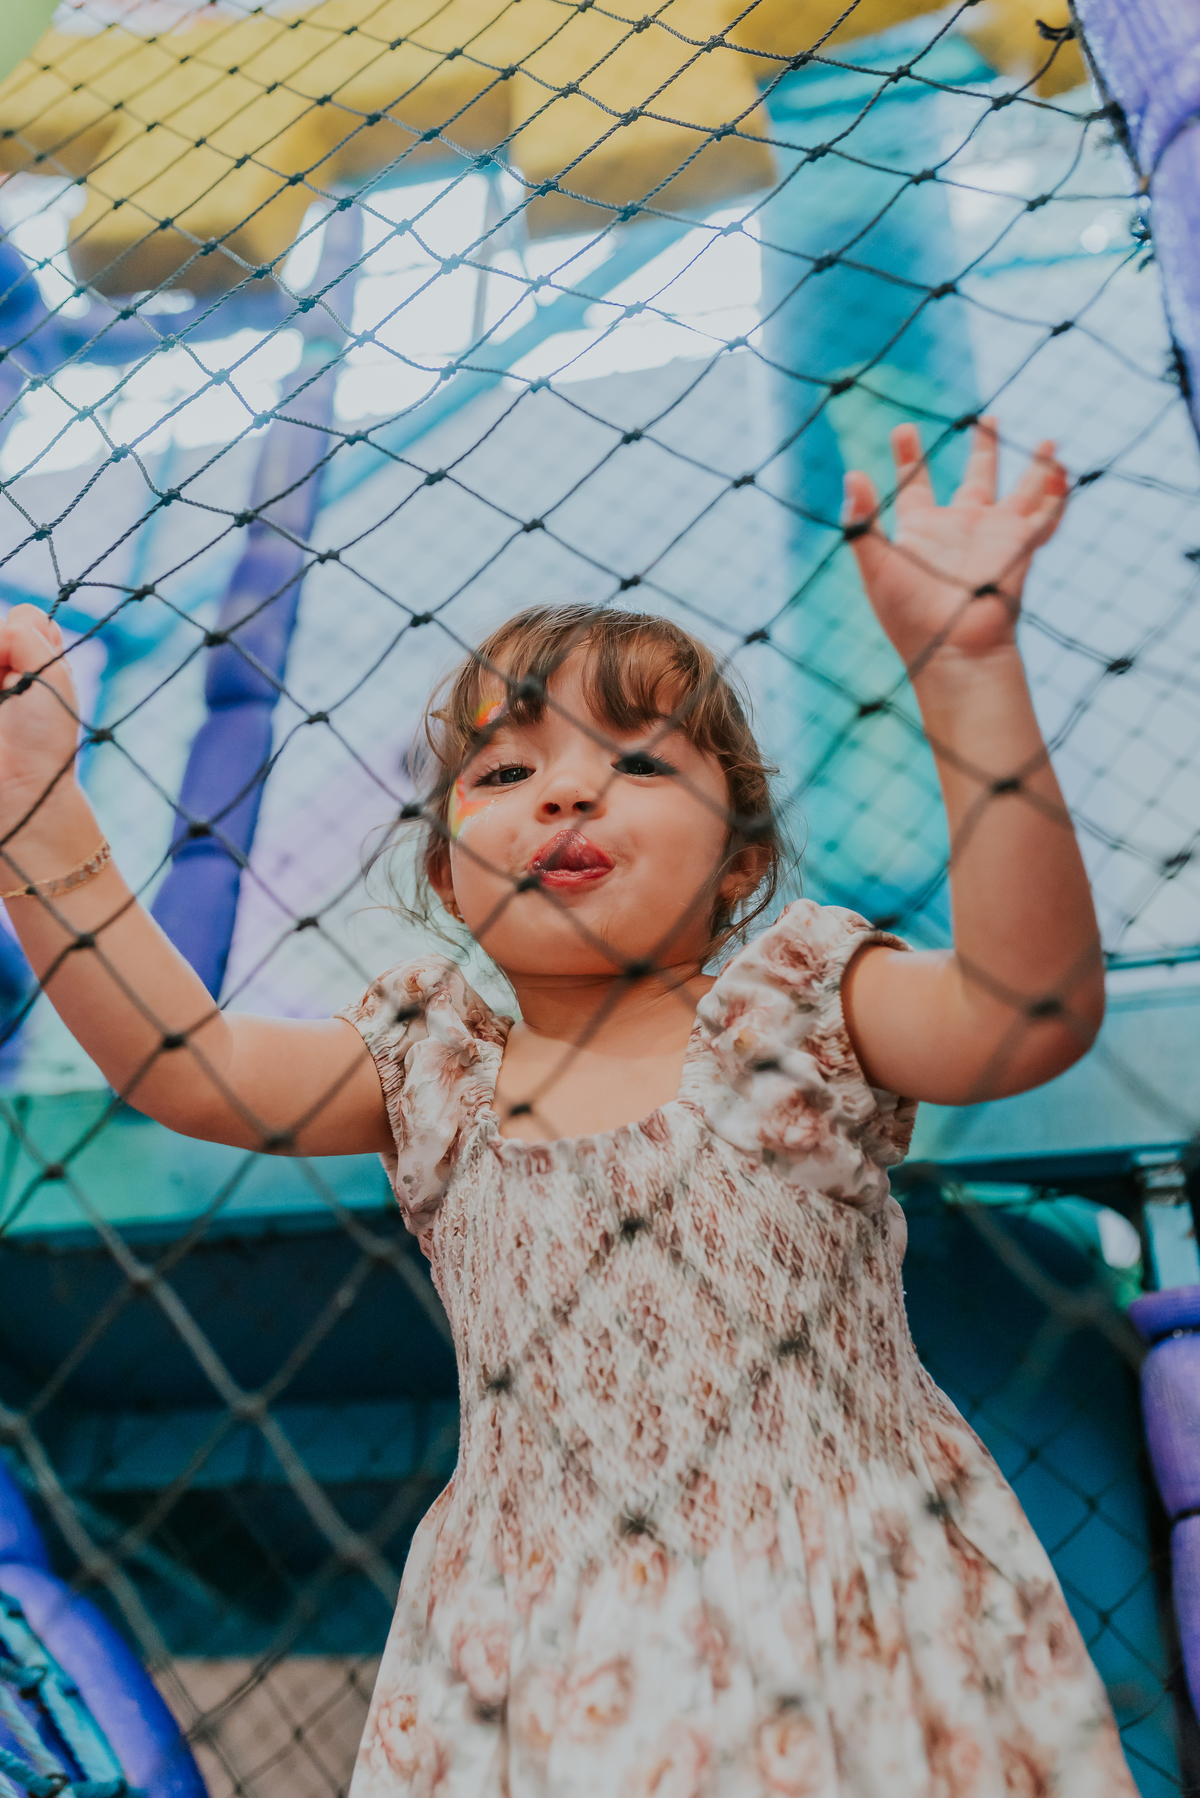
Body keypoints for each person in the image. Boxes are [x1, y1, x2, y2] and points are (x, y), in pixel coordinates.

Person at [0, 419, 1134, 1796]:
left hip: (845, 1610)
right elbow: (184, 1062)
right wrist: (37, 812)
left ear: (742, 863)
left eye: (642, 763)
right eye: (505, 772)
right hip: (537, 1646)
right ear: (450, 872)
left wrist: (965, 669)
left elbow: (1027, 1011)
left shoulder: (797, 1009)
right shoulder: (433, 1071)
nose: (570, 788)